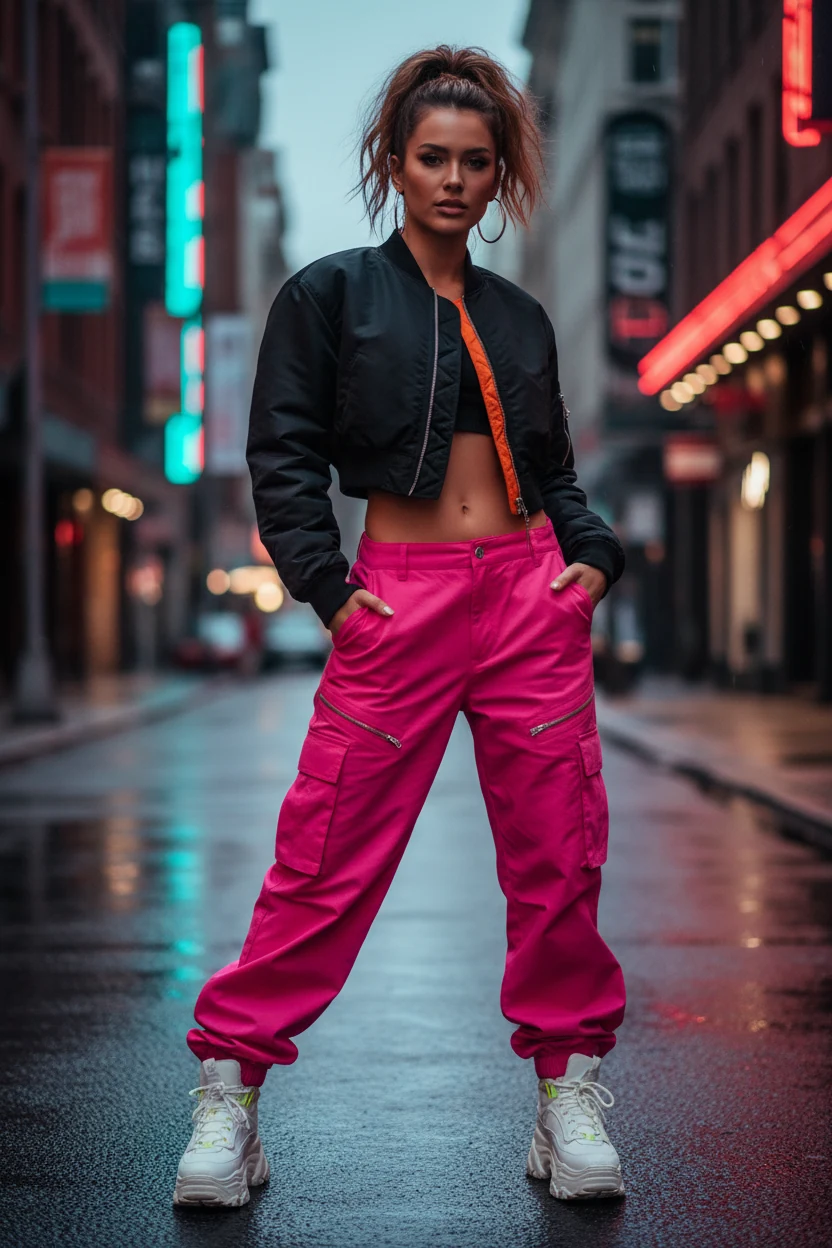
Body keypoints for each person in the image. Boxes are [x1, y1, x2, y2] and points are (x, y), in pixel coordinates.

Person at [174, 44, 627, 1209]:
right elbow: (280, 455)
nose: (453, 181)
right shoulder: (328, 294)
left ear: (499, 175)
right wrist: (328, 589)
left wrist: (588, 557)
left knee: (558, 853)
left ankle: (563, 1098)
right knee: (324, 854)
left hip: (529, 595)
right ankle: (230, 1096)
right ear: (394, 161)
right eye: (432, 157)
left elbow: (554, 470)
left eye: (476, 162)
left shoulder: (520, 317)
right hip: (401, 597)